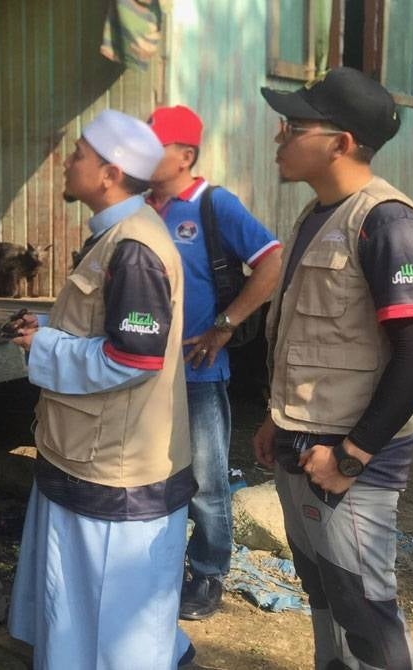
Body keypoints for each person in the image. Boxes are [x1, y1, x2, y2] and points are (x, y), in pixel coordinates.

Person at [255, 66, 413, 669]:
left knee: (363, 605)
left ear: (340, 142)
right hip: (302, 447)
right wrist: (274, 421)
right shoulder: (317, 216)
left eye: (293, 126)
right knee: (324, 594)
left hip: (348, 461)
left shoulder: (389, 224)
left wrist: (353, 454)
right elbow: (308, 340)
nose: (279, 137)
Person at [7, 110, 197, 669]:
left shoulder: (133, 247)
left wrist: (42, 348)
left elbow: (132, 358)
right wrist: (46, 332)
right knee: (81, 612)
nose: (67, 163)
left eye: (79, 155)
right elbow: (106, 333)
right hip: (91, 452)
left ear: (110, 173)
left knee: (113, 629)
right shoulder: (117, 236)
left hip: (115, 467)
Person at [146, 105, 282, 620]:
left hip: (199, 372)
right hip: (141, 373)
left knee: (205, 478)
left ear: (185, 155)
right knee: (152, 474)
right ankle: (159, 566)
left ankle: (207, 575)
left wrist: (225, 324)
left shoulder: (212, 205)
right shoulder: (142, 209)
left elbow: (271, 259)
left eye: (155, 145)